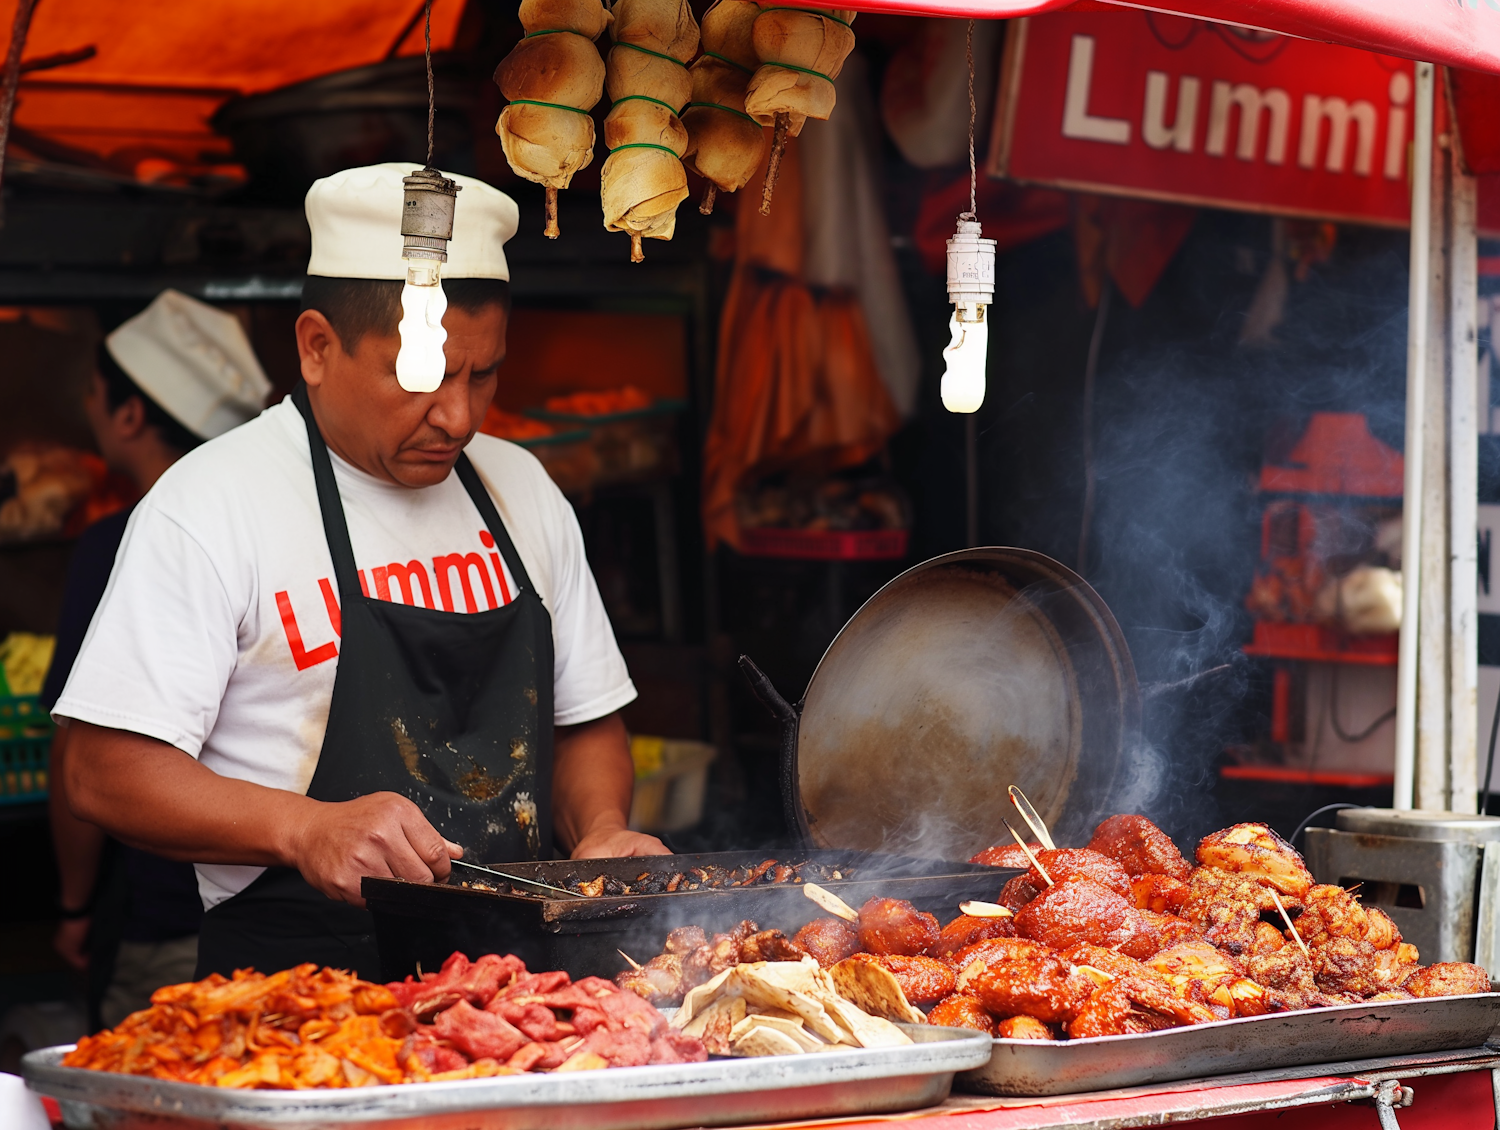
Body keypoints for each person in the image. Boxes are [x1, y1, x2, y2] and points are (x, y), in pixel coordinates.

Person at [54, 164, 667, 981]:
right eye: (421, 376)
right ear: (317, 347)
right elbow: (102, 771)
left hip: (524, 985)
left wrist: (598, 832)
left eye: (482, 374)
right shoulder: (211, 504)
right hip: (300, 1002)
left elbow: (585, 718)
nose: (457, 415)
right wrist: (305, 828)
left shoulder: (520, 486)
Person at [42, 290, 271, 1026]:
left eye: (92, 396)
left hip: (165, 919)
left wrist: (74, 907)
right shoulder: (272, 527)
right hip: (279, 911)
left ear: (130, 415)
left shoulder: (119, 541)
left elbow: (79, 755)